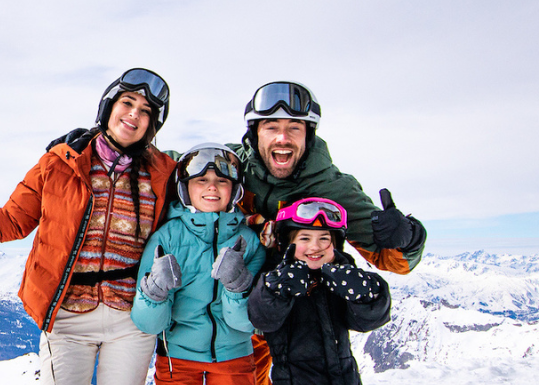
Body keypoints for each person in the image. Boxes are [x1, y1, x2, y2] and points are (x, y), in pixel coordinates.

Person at [0, 68, 176, 385]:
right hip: (67, 317)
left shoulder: (164, 173)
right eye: (128, 101)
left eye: (146, 111)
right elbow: (8, 222)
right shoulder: (59, 164)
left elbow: (217, 187)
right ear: (109, 106)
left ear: (152, 124)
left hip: (130, 319)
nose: (134, 114)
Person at [230, 81, 426, 275]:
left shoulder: (333, 189)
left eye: (294, 128)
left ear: (308, 136)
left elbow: (395, 262)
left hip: (299, 294)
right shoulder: (230, 165)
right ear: (255, 134)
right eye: (271, 127)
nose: (282, 138)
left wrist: (409, 239)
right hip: (232, 291)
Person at [131, 143, 270, 385]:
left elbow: (246, 323)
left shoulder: (247, 242)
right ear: (185, 188)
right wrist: (154, 293)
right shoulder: (166, 238)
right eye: (202, 179)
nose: (212, 187)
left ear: (235, 189)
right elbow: (149, 324)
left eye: (222, 181)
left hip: (234, 358)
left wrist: (237, 287)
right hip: (177, 360)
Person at [247, 198, 392, 385]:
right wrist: (278, 289)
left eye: (324, 238)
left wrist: (367, 294)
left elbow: (366, 322)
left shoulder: (342, 276)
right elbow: (263, 318)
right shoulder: (275, 277)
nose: (315, 247)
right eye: (304, 238)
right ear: (287, 243)